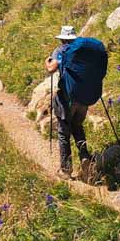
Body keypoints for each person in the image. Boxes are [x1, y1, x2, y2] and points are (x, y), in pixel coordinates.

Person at [45, 25, 96, 180]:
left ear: (62, 38)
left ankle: (66, 170)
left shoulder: (60, 51)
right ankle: (85, 157)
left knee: (63, 132)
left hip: (67, 97)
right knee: (78, 127)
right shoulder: (84, 52)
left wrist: (47, 61)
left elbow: (51, 69)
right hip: (84, 96)